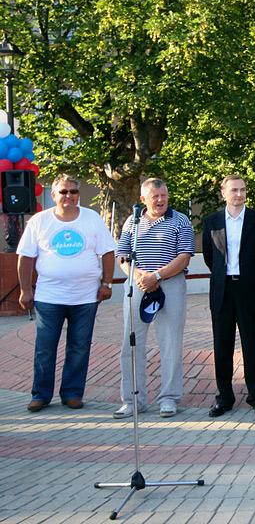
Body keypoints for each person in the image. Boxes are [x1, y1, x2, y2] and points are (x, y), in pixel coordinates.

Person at [17, 174, 116, 412]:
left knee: (79, 347)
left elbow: (108, 252)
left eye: (73, 192)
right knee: (45, 347)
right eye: (63, 192)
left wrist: (107, 283)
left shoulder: (91, 219)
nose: (68, 196)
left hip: (85, 298)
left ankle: (72, 393)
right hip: (48, 297)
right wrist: (25, 290)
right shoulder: (40, 221)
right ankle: (40, 394)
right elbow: (25, 257)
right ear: (53, 195)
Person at [114, 178, 195, 419]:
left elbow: (184, 257)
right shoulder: (132, 221)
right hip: (138, 285)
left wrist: (157, 276)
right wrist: (137, 275)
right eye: (155, 197)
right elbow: (122, 257)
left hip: (170, 284)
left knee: (170, 343)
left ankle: (169, 398)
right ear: (143, 200)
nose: (160, 201)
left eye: (164, 196)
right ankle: (132, 400)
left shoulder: (180, 220)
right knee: (131, 342)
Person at [201, 175, 255, 418]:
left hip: (249, 289)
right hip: (222, 291)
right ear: (223, 193)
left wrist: (252, 276)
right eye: (234, 190)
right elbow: (211, 258)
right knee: (222, 347)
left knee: (252, 346)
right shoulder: (211, 222)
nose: (239, 194)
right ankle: (224, 398)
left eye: (243, 190)